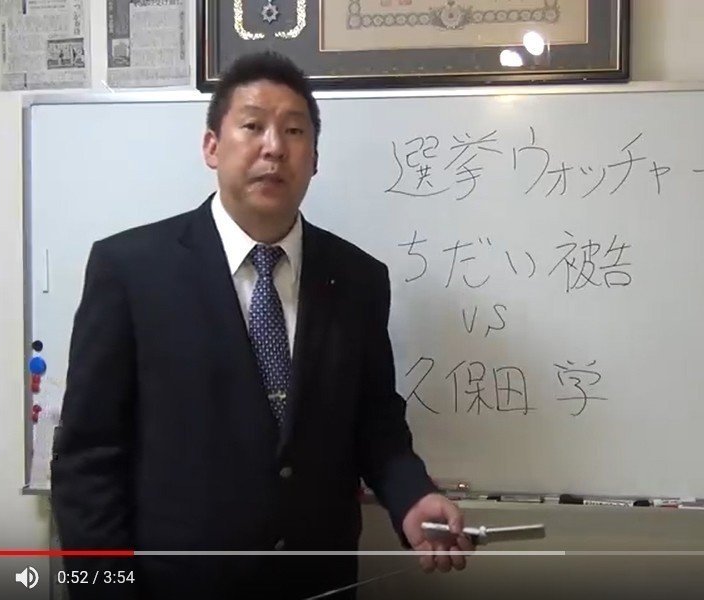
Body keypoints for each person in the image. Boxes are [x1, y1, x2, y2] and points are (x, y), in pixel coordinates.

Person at [50, 50, 472, 599]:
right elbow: (88, 459)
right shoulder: (130, 270)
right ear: (212, 146)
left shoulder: (359, 278)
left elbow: (376, 423)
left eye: (294, 131)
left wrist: (413, 495)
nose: (274, 147)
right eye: (252, 126)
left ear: (314, 158)